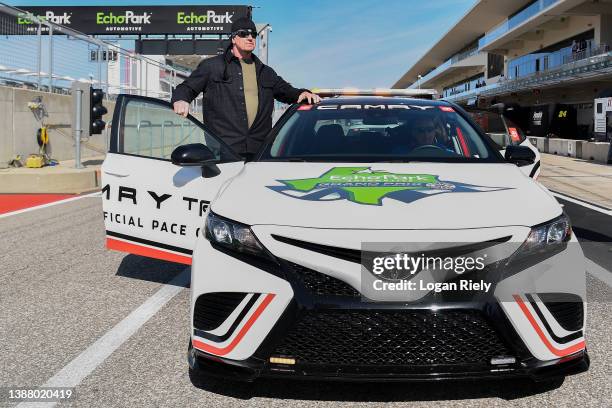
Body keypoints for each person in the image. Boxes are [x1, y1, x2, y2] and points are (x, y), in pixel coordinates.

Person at [171, 17, 320, 160]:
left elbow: (288, 92)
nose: (250, 37)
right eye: (244, 34)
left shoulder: (265, 72)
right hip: (223, 150)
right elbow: (187, 87)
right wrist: (181, 99)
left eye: (253, 34)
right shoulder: (212, 66)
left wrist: (302, 93)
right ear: (233, 38)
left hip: (259, 152)